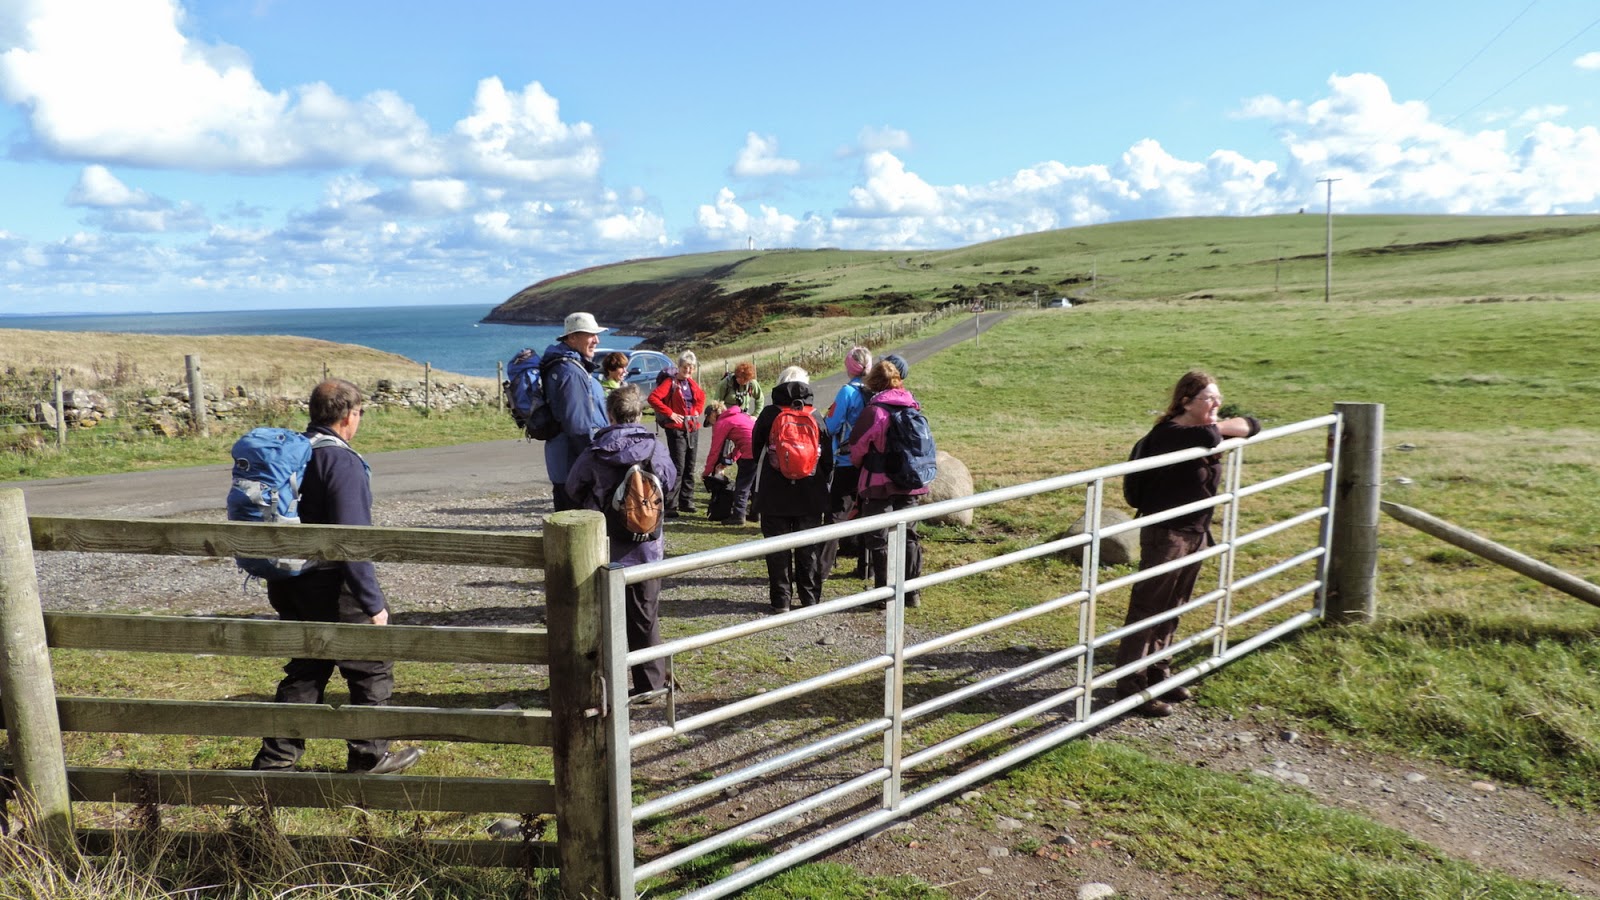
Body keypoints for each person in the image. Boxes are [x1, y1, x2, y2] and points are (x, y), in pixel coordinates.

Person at [251, 380, 422, 775]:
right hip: (332, 585)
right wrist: (373, 603)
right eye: (359, 414)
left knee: (308, 666)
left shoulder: (295, 452)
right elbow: (352, 539)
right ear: (350, 415)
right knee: (371, 666)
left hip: (289, 580)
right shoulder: (340, 462)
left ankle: (276, 760)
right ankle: (370, 756)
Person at [1114, 371, 1260, 718]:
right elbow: (1215, 433)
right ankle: (1130, 685)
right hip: (1167, 533)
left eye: (1219, 398)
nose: (1217, 404)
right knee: (1149, 606)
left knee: (1176, 604)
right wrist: (1220, 427)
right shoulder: (1169, 434)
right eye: (1210, 398)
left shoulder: (1197, 430)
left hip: (1196, 530)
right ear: (1185, 402)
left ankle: (1159, 672)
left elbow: (1252, 425)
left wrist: (1219, 424)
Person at [565, 386, 678, 698]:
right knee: (645, 617)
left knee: (602, 619)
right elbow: (669, 484)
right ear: (640, 414)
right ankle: (651, 684)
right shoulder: (656, 448)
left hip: (605, 548)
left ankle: (602, 683)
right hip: (647, 548)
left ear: (610, 414)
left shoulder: (596, 451)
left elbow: (574, 486)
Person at [751, 366, 833, 613]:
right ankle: (809, 598)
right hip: (810, 491)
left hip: (775, 493)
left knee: (777, 549)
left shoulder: (768, 414)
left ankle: (781, 600)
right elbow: (827, 459)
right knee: (808, 548)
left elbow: (756, 452)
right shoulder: (816, 416)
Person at [850, 355, 927, 608]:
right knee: (910, 537)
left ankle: (883, 594)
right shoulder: (913, 406)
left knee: (879, 538)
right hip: (910, 481)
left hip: (878, 483)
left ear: (874, 383)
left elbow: (857, 449)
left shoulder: (874, 411)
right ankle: (911, 593)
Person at [541, 312, 611, 512]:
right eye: (590, 335)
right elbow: (578, 426)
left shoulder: (568, 366)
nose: (596, 340)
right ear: (572, 338)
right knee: (576, 528)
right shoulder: (571, 372)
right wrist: (595, 463)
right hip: (575, 468)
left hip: (567, 466)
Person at [821, 346, 872, 578]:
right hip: (871, 462)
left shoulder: (847, 393)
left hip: (846, 460)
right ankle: (866, 567)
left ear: (849, 367)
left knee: (836, 514)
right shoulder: (874, 391)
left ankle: (821, 568)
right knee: (867, 512)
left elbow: (831, 426)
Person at [648, 350, 706, 517]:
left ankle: (686, 501)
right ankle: (671, 505)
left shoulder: (692, 384)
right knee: (678, 467)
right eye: (685, 367)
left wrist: (696, 411)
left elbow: (701, 398)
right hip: (676, 430)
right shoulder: (670, 383)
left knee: (690, 466)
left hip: (692, 429)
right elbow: (653, 398)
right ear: (679, 367)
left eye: (691, 367)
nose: (688, 370)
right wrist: (670, 413)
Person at [703, 397, 756, 525]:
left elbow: (714, 450)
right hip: (760, 448)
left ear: (713, 414)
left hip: (750, 450)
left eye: (709, 421)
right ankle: (756, 514)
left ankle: (738, 516)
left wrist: (707, 472)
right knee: (755, 484)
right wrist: (731, 459)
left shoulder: (722, 422)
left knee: (742, 484)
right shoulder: (739, 416)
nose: (711, 425)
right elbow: (741, 442)